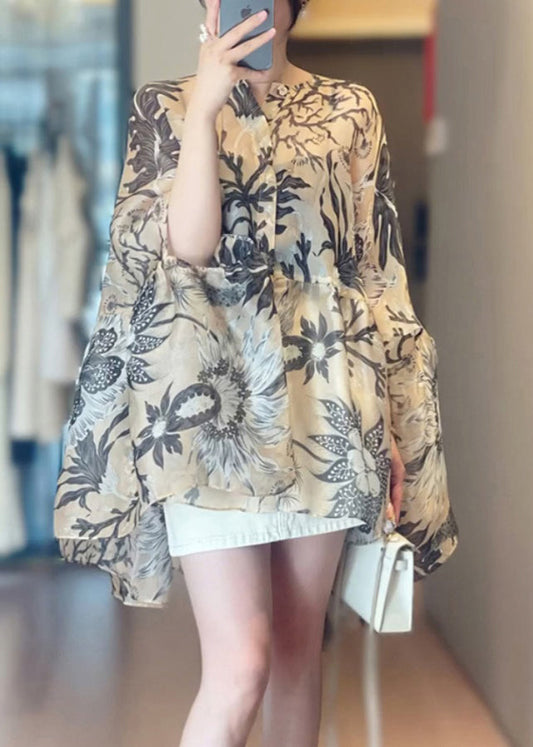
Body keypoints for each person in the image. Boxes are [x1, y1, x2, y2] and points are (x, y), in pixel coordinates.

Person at [53, 0, 459, 745]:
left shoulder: (350, 109)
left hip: (327, 399)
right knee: (240, 666)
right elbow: (188, 247)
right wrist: (208, 106)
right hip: (204, 409)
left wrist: (394, 425)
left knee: (300, 657)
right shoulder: (164, 105)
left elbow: (376, 278)